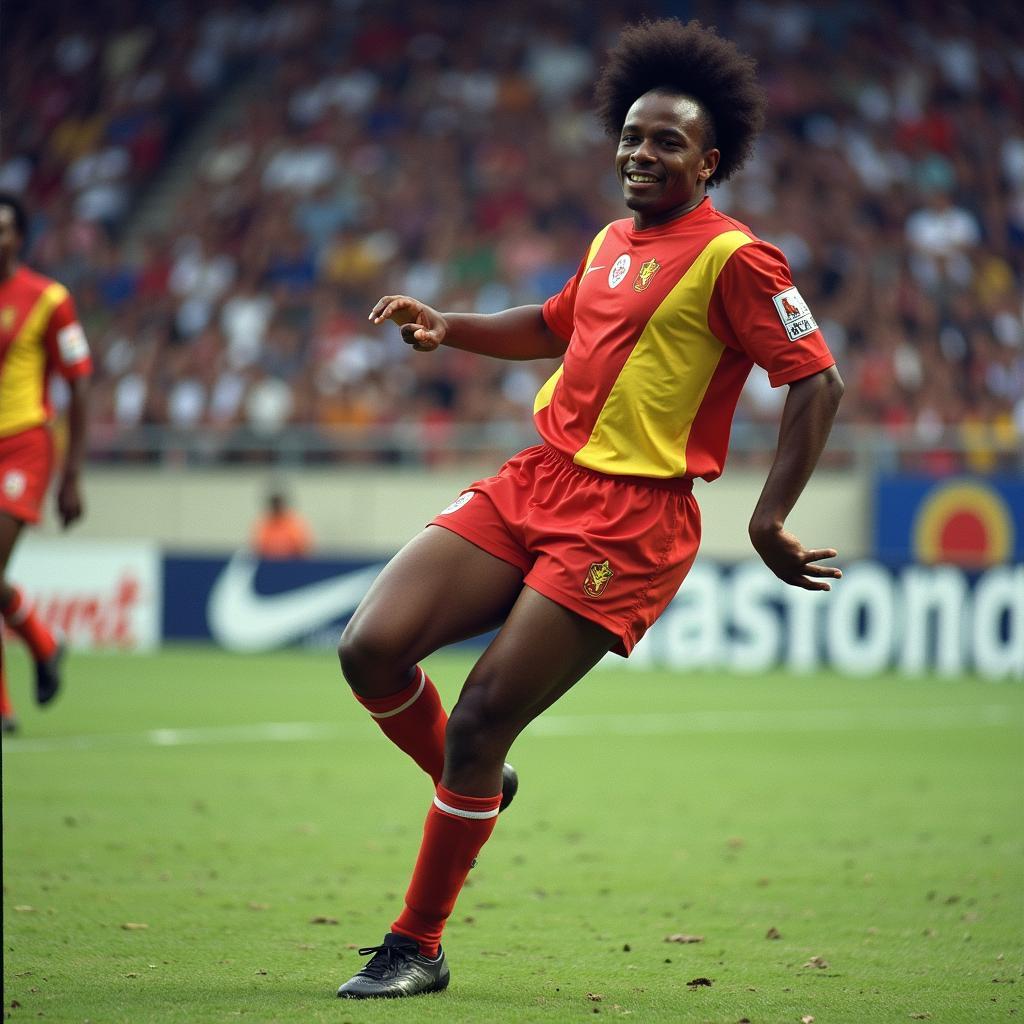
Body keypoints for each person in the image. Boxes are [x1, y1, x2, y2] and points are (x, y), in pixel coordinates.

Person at [334, 18, 844, 999]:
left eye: (665, 142)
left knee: (483, 717)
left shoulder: (737, 260)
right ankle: (470, 780)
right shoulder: (613, 240)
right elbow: (551, 325)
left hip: (631, 518)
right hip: (537, 478)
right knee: (369, 647)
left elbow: (815, 382)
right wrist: (449, 326)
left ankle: (417, 943)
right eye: (630, 136)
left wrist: (769, 517)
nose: (639, 153)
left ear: (712, 159)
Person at [0, 192, 92, 734]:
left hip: (23, 445)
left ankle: (4, 708)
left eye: (4, 229)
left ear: (21, 237)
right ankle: (41, 640)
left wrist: (72, 475)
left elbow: (79, 386)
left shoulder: (48, 298)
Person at [250, 489, 313, 559]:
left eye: (278, 505)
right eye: (274, 505)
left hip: (292, 563)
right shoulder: (263, 525)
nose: (276, 508)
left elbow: (303, 548)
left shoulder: (294, 524)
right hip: (268, 564)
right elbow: (257, 548)